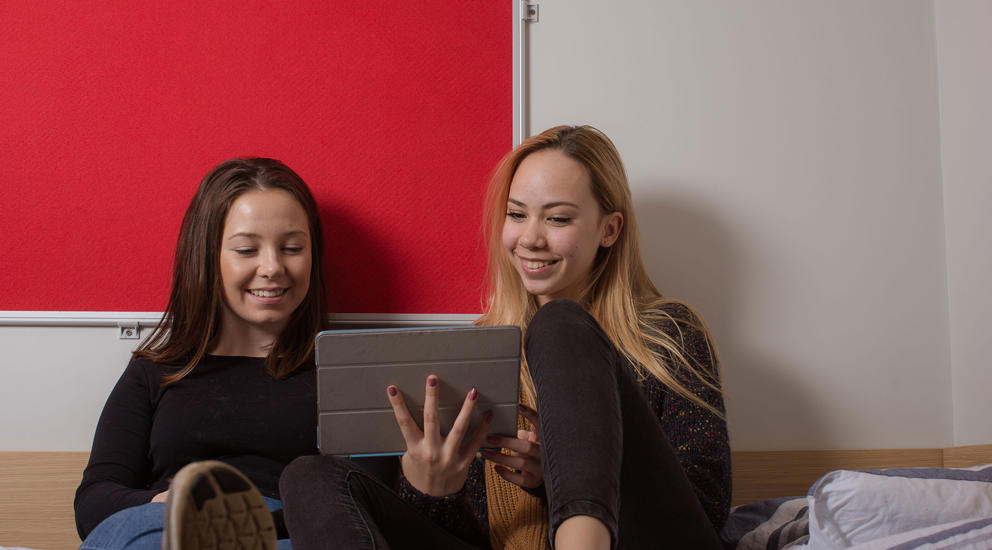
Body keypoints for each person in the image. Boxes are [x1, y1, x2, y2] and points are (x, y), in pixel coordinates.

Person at [277, 125, 731, 550]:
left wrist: (553, 479)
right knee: (309, 476)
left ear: (609, 229)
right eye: (517, 214)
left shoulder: (667, 334)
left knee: (558, 324)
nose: (530, 238)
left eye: (557, 218)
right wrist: (430, 488)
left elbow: (705, 511)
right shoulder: (472, 358)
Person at [74, 158, 328, 549]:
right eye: (246, 250)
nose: (273, 267)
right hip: (167, 530)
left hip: (288, 535)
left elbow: (361, 508)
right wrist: (171, 505)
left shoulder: (343, 374)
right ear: (209, 256)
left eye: (292, 248)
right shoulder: (154, 373)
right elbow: (93, 503)